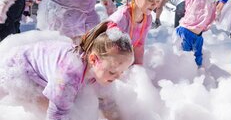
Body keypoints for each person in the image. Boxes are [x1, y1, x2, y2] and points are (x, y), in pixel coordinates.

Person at [0, 21, 134, 120]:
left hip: (37, 57)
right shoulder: (69, 75)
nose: (117, 77)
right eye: (112, 72)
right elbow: (56, 115)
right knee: (50, 106)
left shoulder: (100, 66)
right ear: (93, 60)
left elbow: (107, 102)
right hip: (18, 70)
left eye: (122, 72)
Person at [108, 0, 163, 65]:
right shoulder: (121, 18)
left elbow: (139, 46)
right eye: (150, 0)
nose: (154, 4)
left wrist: (139, 71)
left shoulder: (147, 19)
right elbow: (108, 50)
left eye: (158, 1)